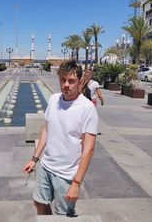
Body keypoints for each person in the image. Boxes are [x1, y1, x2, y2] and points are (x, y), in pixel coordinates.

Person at [23, 60, 98, 217]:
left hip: (66, 174)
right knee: (39, 202)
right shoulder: (54, 99)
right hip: (46, 166)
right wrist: (34, 159)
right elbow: (46, 130)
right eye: (63, 80)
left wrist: (76, 183)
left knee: (64, 214)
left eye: (71, 81)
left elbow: (89, 149)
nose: (66, 85)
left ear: (80, 81)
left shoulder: (87, 108)